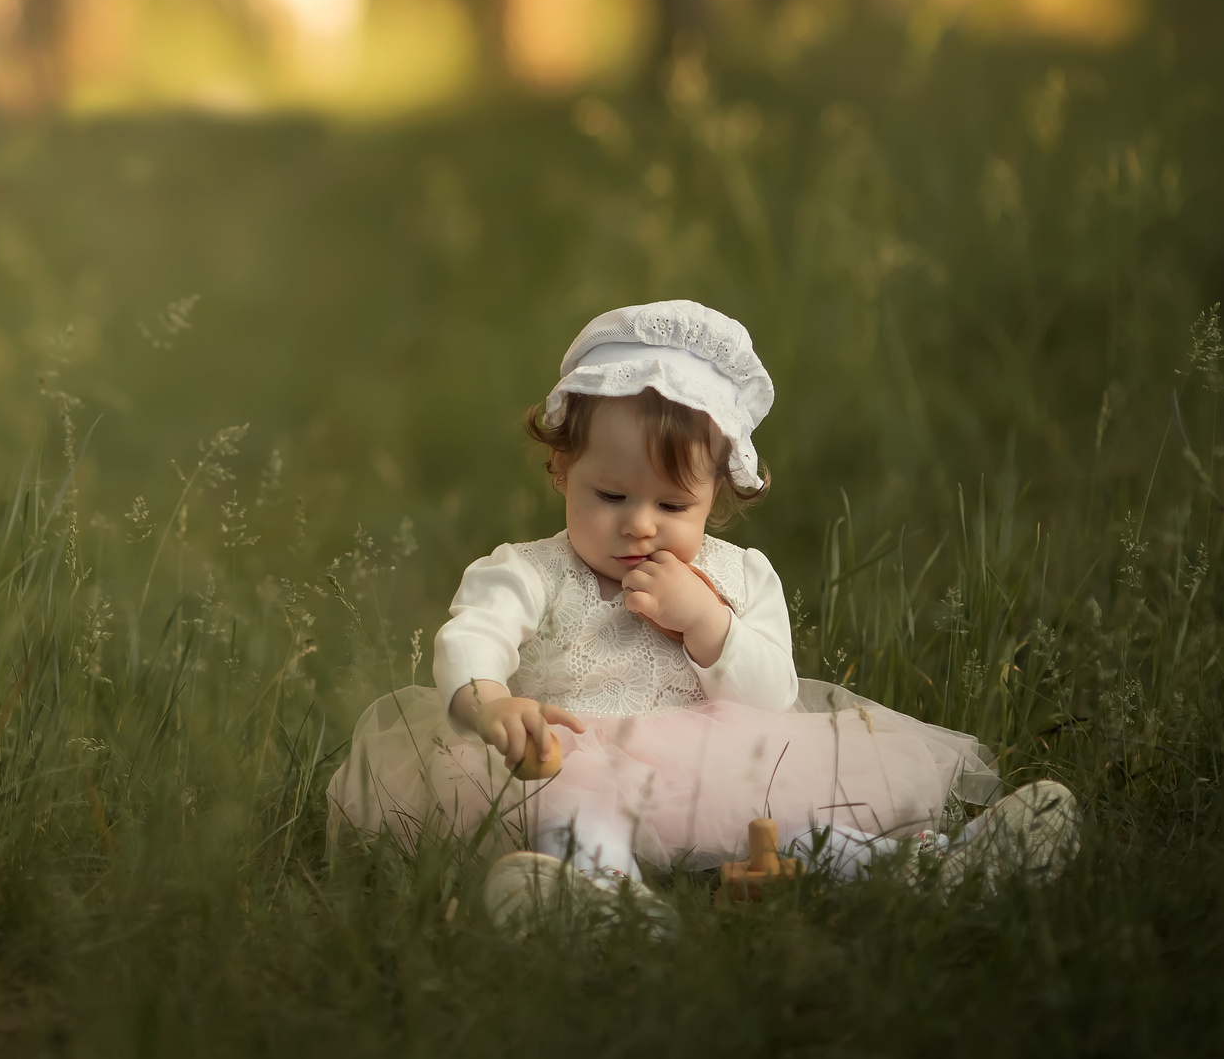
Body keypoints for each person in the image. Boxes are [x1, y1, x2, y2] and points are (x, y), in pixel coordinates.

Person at [326, 300, 1079, 924]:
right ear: (561, 468)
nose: (639, 524)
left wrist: (708, 625)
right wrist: (489, 701)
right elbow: (472, 637)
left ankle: (939, 867)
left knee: (802, 824)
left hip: (723, 770)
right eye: (610, 495)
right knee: (573, 817)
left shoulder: (737, 576)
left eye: (673, 504)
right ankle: (603, 904)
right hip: (572, 764)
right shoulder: (529, 571)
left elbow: (774, 696)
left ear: (717, 493)